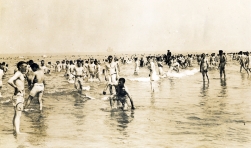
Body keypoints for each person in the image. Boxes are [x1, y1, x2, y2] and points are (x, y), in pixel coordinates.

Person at [7, 61, 27, 134]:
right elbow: (9, 81)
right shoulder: (18, 73)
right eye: (24, 66)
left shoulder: (21, 74)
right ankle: (18, 132)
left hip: (18, 96)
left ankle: (14, 130)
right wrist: (16, 87)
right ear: (20, 67)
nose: (26, 68)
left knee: (16, 114)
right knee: (18, 114)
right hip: (18, 96)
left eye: (26, 66)